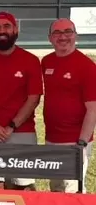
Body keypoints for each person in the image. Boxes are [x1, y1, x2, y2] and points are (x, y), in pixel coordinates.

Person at [0, 11, 43, 191]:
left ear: (15, 29)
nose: (1, 31)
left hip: (22, 131)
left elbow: (33, 98)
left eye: (6, 26)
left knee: (24, 186)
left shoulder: (31, 60)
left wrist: (12, 125)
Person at [41, 18, 96, 193]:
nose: (62, 36)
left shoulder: (87, 66)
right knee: (56, 189)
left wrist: (81, 143)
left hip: (75, 141)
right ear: (50, 38)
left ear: (75, 36)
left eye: (67, 32)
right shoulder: (46, 62)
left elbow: (93, 109)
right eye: (57, 32)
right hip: (52, 138)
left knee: (72, 191)